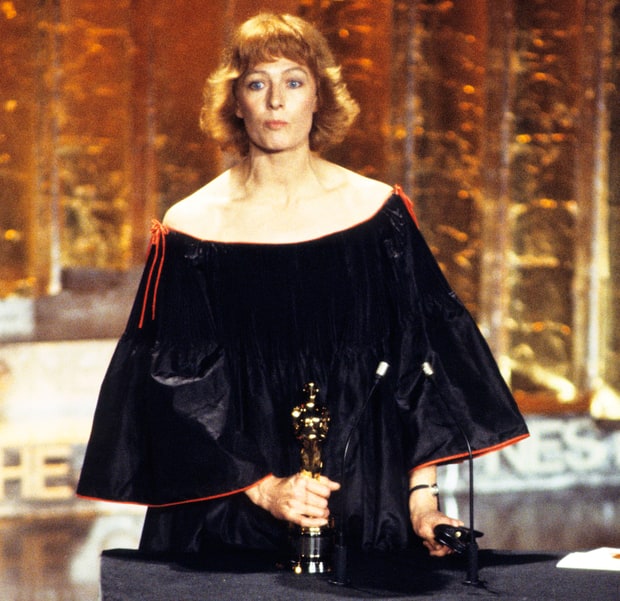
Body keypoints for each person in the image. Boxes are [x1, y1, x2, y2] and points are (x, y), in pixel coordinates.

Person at [77, 13, 528, 559]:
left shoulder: (379, 215)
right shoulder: (192, 228)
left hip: (366, 503)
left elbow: (421, 363)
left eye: (293, 82)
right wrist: (267, 491)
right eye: (257, 84)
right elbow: (176, 391)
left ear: (319, 97)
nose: (276, 101)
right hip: (230, 513)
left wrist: (421, 503)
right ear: (235, 102)